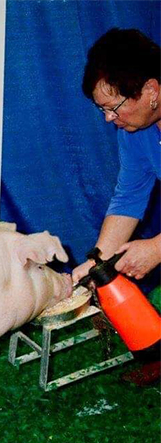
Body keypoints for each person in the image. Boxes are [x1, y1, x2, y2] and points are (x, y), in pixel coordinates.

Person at [75, 28, 161, 387]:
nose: (109, 119)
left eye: (115, 107)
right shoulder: (135, 131)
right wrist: (96, 261)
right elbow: (129, 197)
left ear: (151, 90)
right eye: (102, 109)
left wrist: (157, 248)